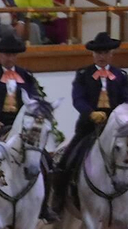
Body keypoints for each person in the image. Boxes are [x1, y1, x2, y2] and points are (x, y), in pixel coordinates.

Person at [51, 33, 128, 217]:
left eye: (105, 52)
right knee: (67, 159)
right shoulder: (83, 75)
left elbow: (126, 99)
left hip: (116, 128)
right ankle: (58, 199)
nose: (101, 56)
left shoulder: (121, 76)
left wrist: (117, 117)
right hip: (89, 127)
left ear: (111, 54)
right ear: (93, 54)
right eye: (98, 53)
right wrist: (90, 113)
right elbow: (78, 99)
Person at [0, 34, 45, 131]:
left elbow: (34, 99)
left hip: (21, 125)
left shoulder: (26, 76)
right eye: (7, 55)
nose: (10, 59)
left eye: (13, 55)